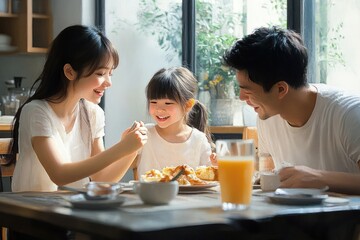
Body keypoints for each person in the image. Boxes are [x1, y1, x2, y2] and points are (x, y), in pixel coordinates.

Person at [223, 26, 360, 195]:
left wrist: (319, 179)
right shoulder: (267, 117)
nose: (241, 98)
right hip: (297, 219)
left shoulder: (349, 114)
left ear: (281, 89)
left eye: (248, 91)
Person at [10, 25, 148, 192]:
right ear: (69, 72)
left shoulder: (93, 113)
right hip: (33, 212)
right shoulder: (36, 111)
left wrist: (131, 149)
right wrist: (122, 148)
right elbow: (59, 174)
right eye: (100, 74)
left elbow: (102, 178)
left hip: (72, 210)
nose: (108, 83)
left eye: (110, 74)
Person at [135, 66, 215, 179]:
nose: (159, 109)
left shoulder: (199, 140)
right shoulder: (144, 134)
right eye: (153, 102)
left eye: (168, 103)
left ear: (187, 105)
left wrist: (216, 166)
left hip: (190, 197)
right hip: (150, 196)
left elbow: (210, 175)